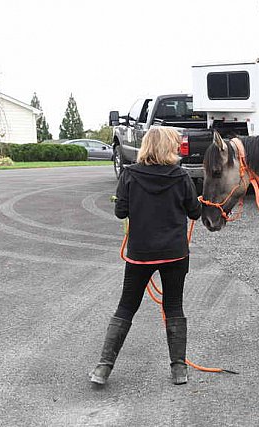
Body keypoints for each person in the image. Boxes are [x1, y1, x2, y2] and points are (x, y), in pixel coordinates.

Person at [90, 127, 202, 386]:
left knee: (126, 306)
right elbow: (194, 213)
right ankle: (178, 370)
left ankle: (103, 368)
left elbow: (121, 212)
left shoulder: (128, 175)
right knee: (173, 306)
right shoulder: (182, 177)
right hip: (174, 254)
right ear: (168, 147)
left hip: (140, 255)